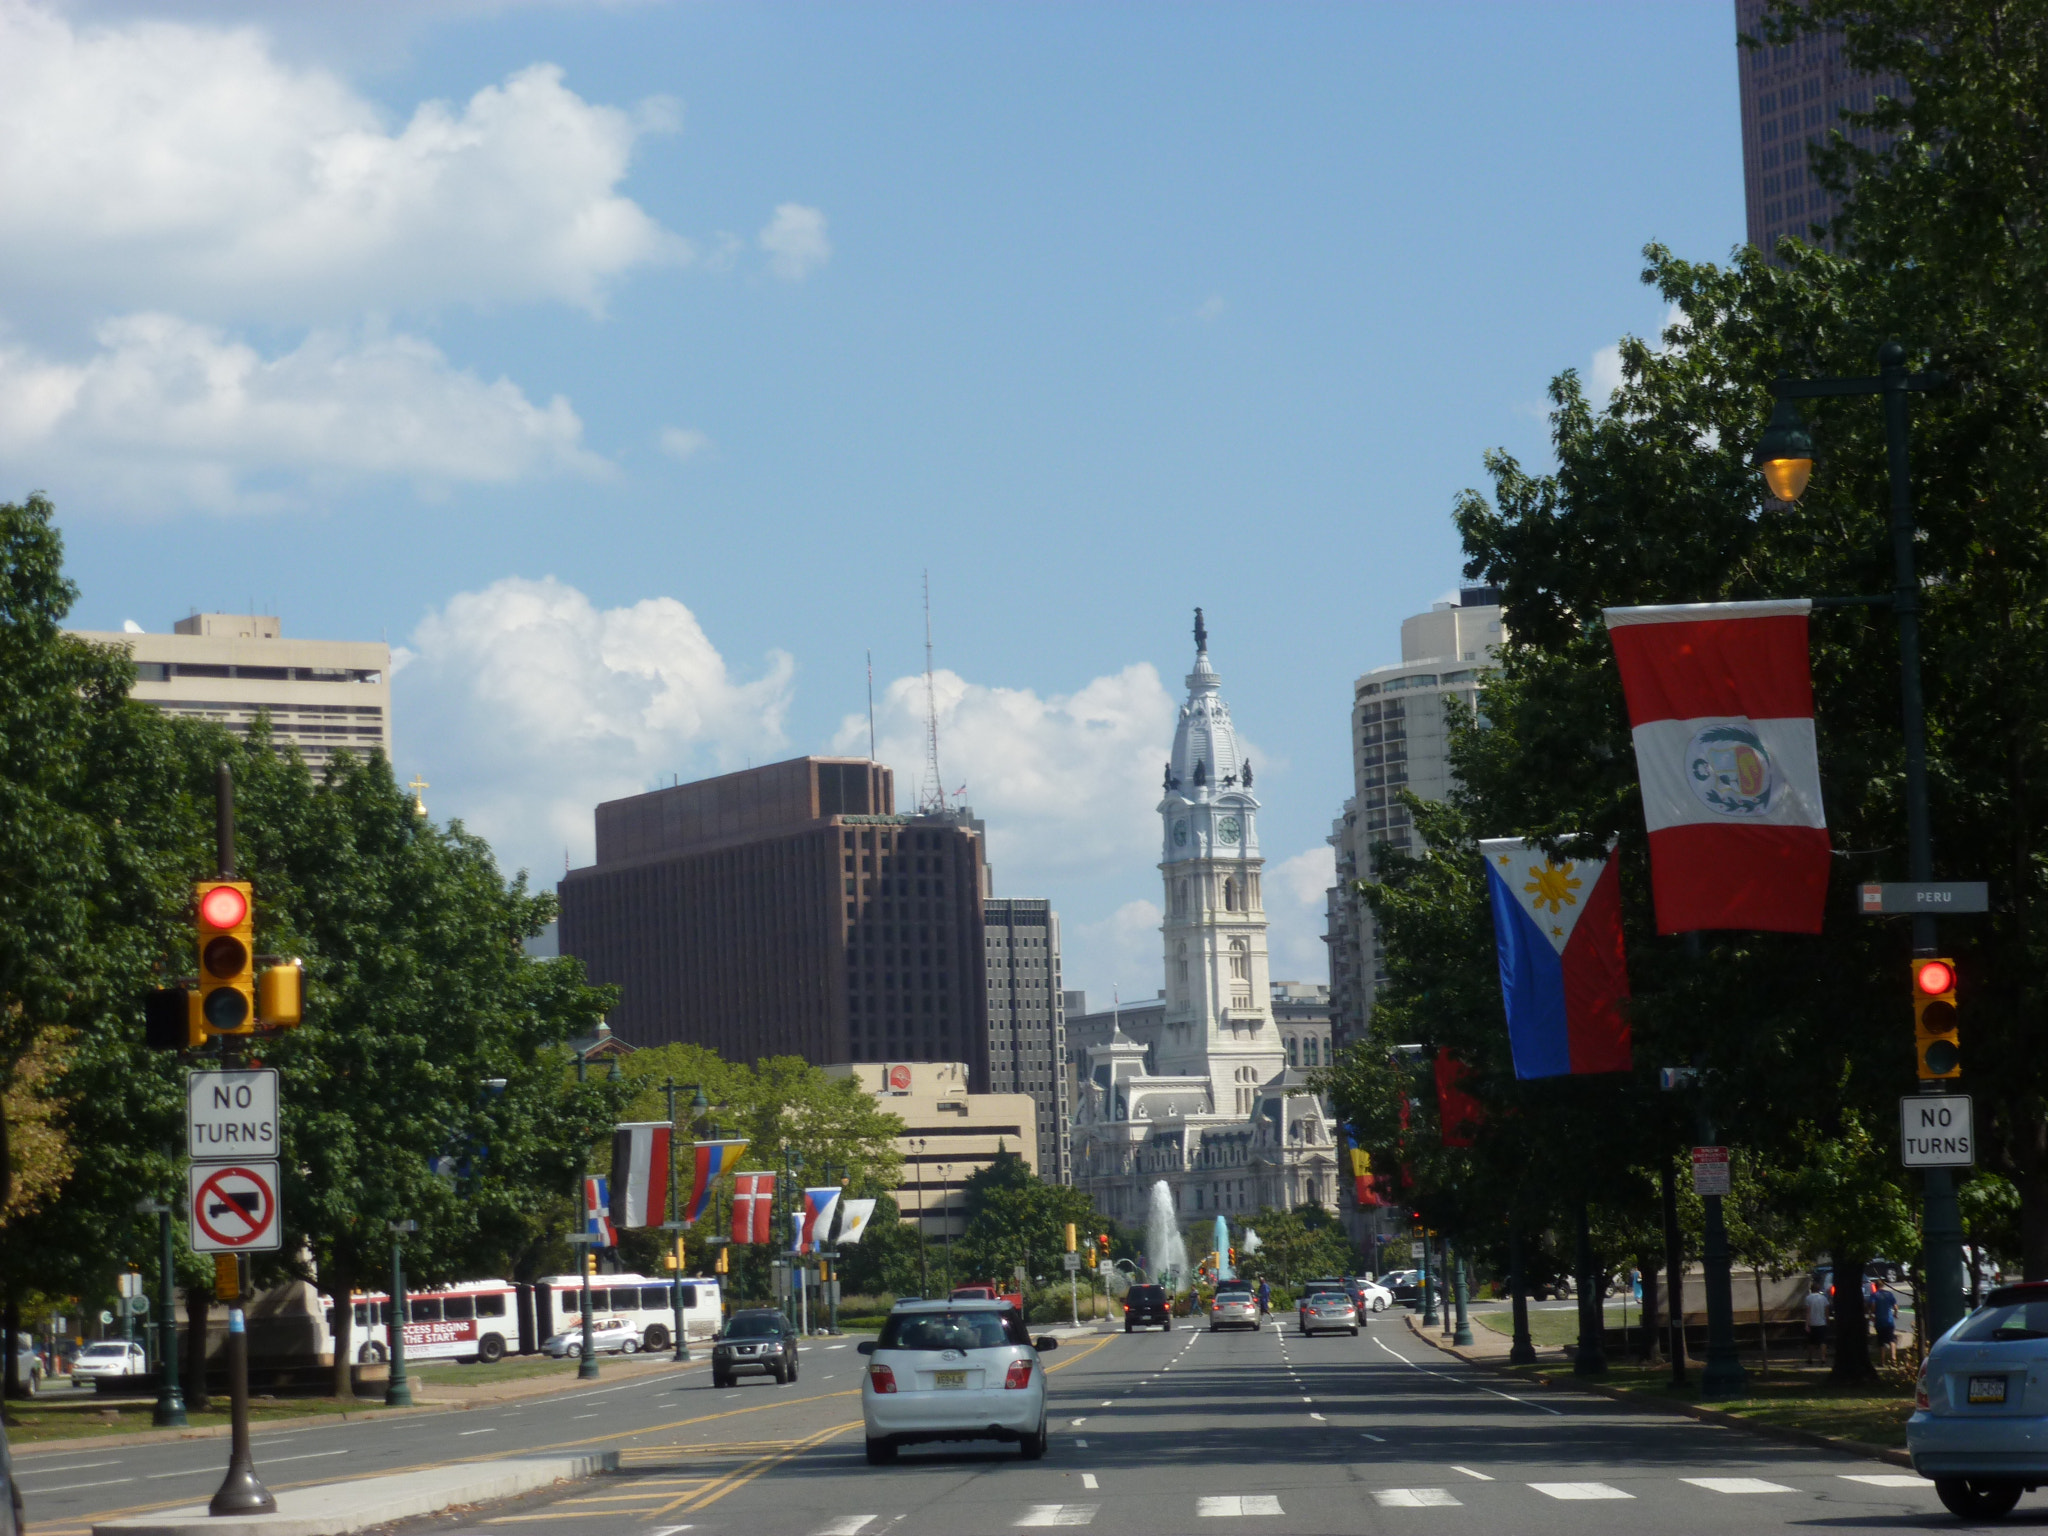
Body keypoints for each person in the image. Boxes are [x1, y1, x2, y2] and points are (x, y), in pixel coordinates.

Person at [1872, 1280, 1900, 1363]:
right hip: (1889, 1321)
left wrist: (1872, 1314)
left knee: (1881, 1341)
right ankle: (1893, 1358)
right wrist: (1895, 1314)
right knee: (1891, 1339)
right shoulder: (1889, 1294)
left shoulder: (1874, 1295)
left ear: (1876, 1286)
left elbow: (1873, 1306)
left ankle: (1882, 1360)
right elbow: (1895, 1307)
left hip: (1879, 1321)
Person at [1805, 1278, 1830, 1365]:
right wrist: (1827, 1321)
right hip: (1822, 1323)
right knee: (1823, 1341)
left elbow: (1808, 1312)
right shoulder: (1824, 1298)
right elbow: (1827, 1311)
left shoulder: (1808, 1298)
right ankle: (1823, 1357)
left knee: (1811, 1342)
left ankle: (1810, 1358)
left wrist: (1807, 1324)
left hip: (1812, 1323)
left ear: (1811, 1289)